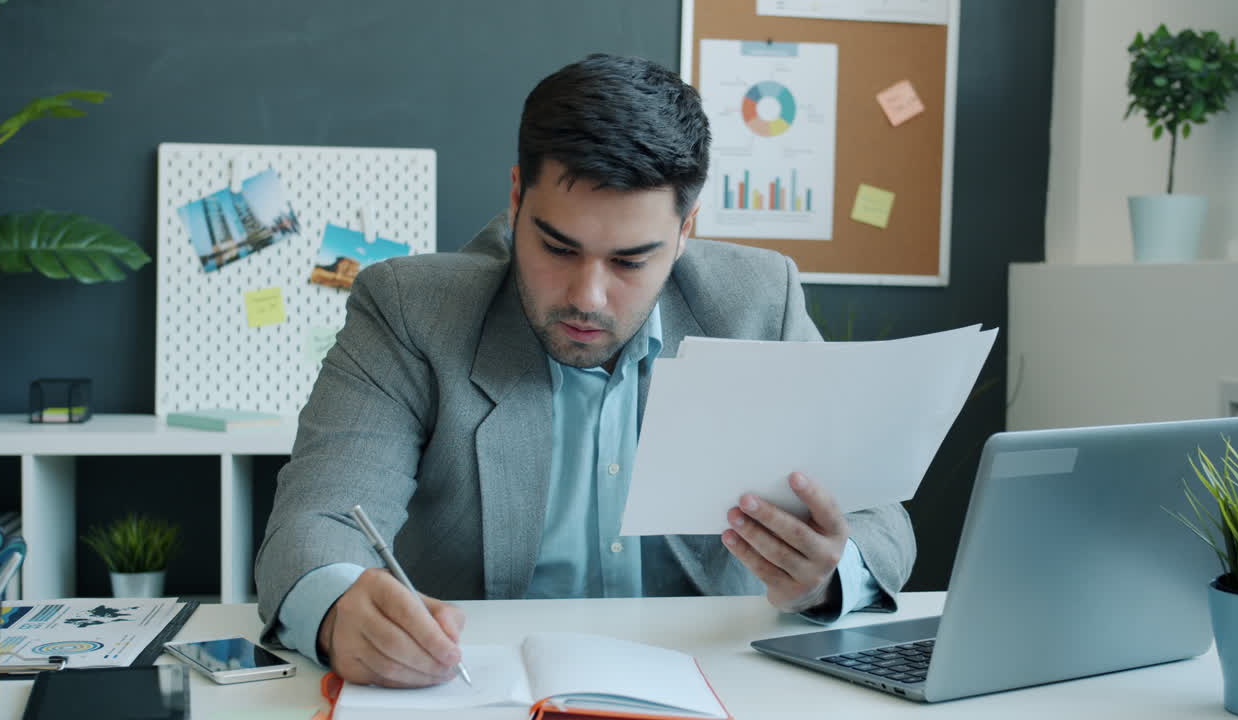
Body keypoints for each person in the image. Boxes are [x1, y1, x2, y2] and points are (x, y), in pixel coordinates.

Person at [256, 53, 915, 688]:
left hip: (718, 685)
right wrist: (339, 608)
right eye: (557, 247)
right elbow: (313, 525)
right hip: (478, 690)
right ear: (517, 198)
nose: (587, 297)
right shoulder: (411, 310)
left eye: (630, 261)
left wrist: (831, 572)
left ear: (686, 230)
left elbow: (880, 519)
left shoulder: (757, 301)